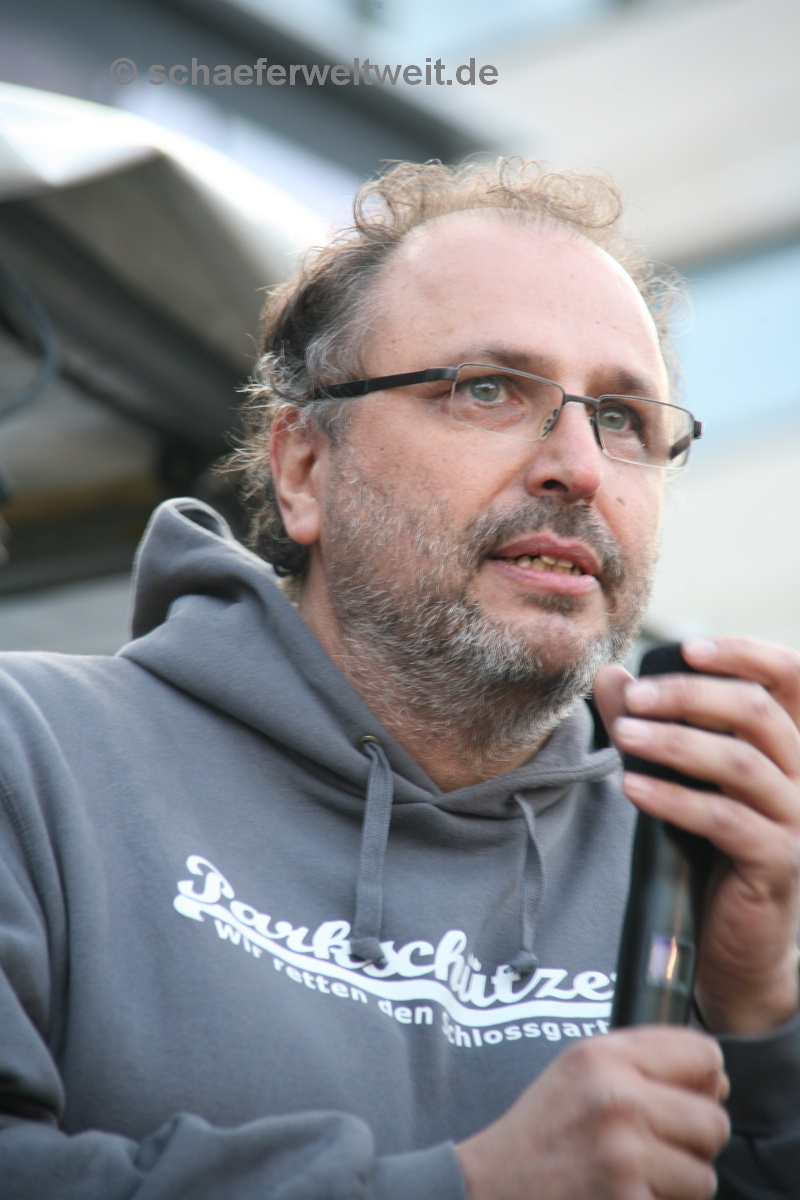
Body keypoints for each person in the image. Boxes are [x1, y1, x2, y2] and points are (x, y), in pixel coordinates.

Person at [0, 159, 798, 1200]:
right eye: (485, 389)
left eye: (621, 419)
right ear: (303, 467)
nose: (579, 467)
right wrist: (468, 1187)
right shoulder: (34, 755)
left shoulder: (703, 857)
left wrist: (764, 1024)